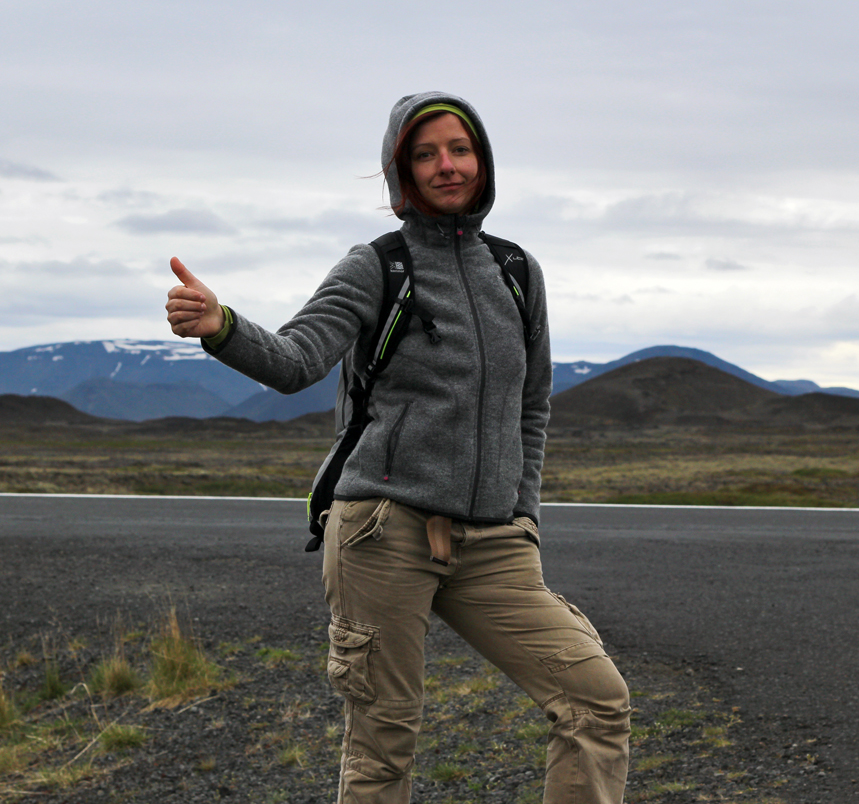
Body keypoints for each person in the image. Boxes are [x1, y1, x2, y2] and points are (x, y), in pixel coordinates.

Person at [165, 92, 630, 803]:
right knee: (383, 748)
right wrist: (221, 325)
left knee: (595, 700)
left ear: (482, 161)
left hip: (494, 541)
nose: (447, 166)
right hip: (384, 533)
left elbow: (530, 406)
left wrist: (524, 517)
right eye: (426, 154)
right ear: (401, 171)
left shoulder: (516, 271)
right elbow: (295, 360)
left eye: (460, 149)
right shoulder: (377, 266)